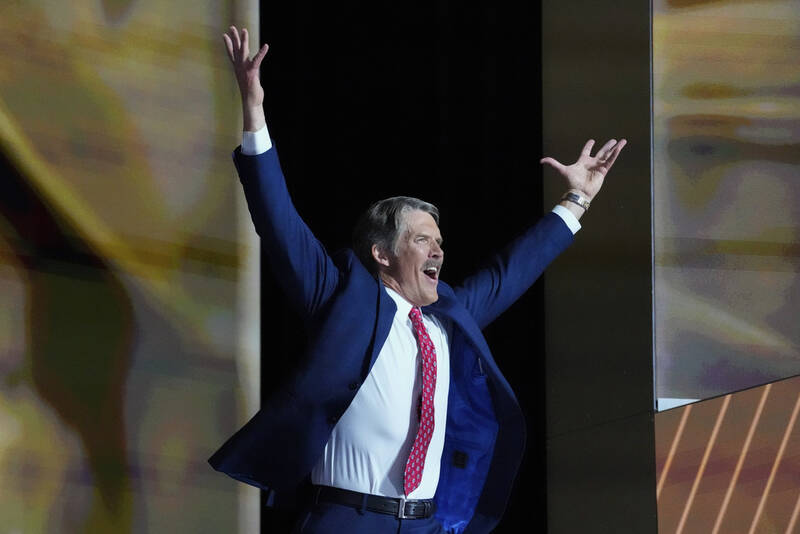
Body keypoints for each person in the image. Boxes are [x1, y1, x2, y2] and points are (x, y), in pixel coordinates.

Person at [210, 26, 626, 534]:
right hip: (346, 519)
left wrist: (576, 200)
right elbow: (279, 224)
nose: (439, 250)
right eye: (423, 240)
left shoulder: (449, 314)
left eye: (440, 241)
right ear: (382, 253)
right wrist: (254, 114)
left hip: (427, 524)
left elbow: (508, 273)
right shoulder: (342, 297)